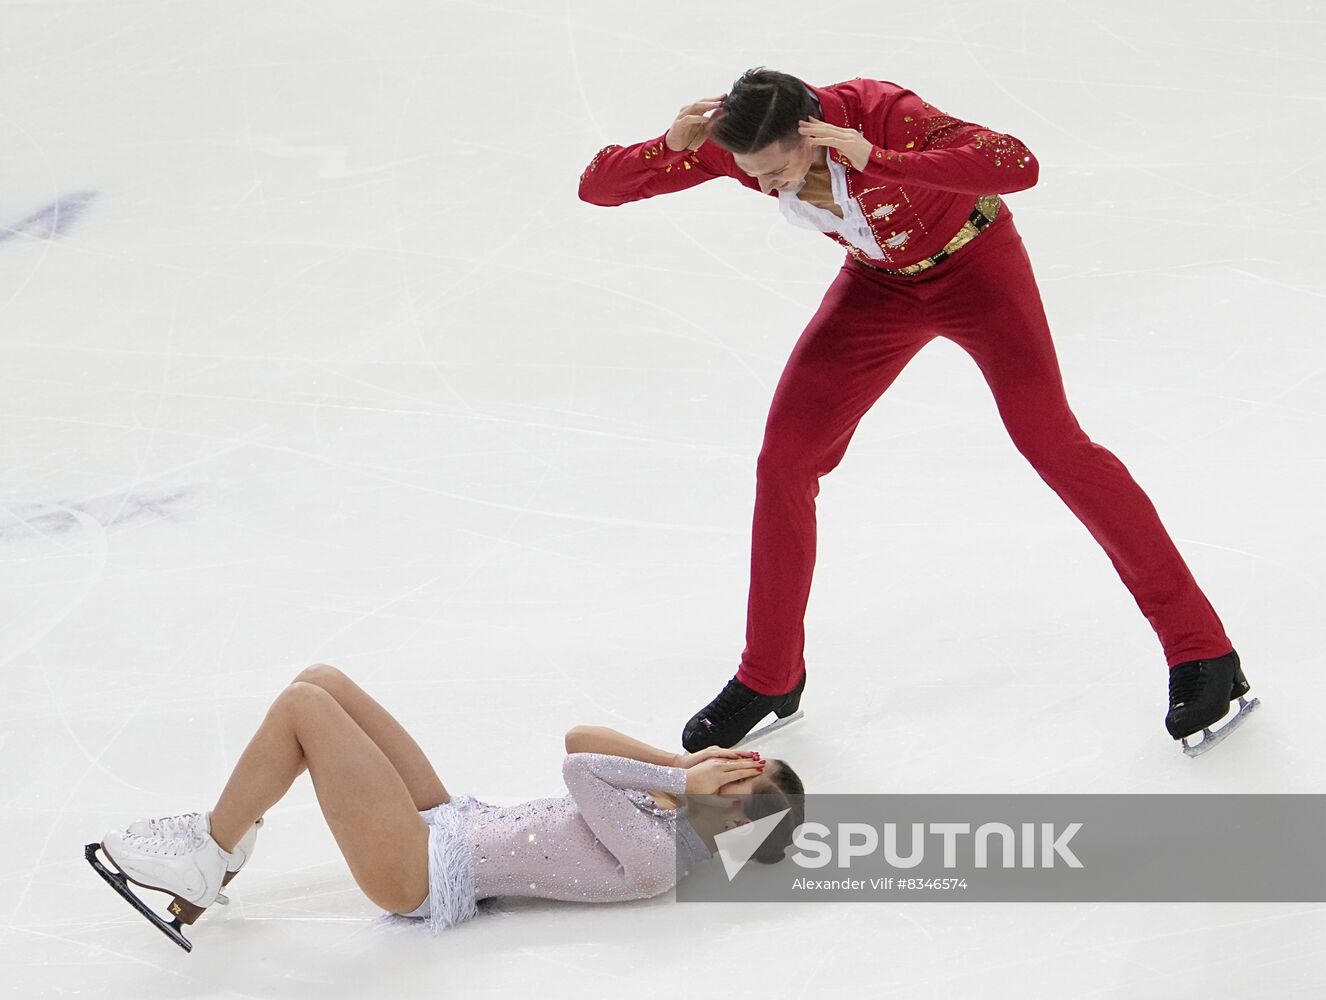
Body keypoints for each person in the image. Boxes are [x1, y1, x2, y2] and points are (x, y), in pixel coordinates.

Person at [578, 68, 1254, 755]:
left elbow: (1017, 164)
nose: (770, 186)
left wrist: (878, 158)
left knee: (1053, 443)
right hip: (877, 290)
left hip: (976, 268)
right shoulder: (743, 142)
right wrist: (666, 146)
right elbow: (598, 187)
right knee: (784, 462)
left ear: (810, 131)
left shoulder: (882, 112)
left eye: (779, 169)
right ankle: (769, 675)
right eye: (756, 175)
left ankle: (1204, 653)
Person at [86, 664, 805, 950]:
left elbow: (578, 768)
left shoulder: (654, 858)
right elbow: (580, 734)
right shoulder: (665, 816)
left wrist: (682, 781)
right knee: (322, 681)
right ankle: (227, 843)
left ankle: (208, 855)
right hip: (448, 820)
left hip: (423, 871)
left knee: (304, 710)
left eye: (740, 775)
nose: (728, 764)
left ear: (736, 816)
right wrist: (681, 766)